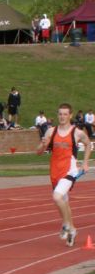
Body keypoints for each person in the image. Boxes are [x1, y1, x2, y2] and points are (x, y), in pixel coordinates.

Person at [37, 103, 91, 247]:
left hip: (70, 170)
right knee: (64, 201)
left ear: (70, 115)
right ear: (57, 115)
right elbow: (38, 152)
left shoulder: (76, 132)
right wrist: (43, 145)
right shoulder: (51, 132)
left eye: (65, 114)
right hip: (55, 171)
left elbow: (88, 144)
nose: (62, 116)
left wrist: (85, 163)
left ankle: (66, 224)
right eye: (60, 114)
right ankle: (72, 230)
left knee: (57, 196)